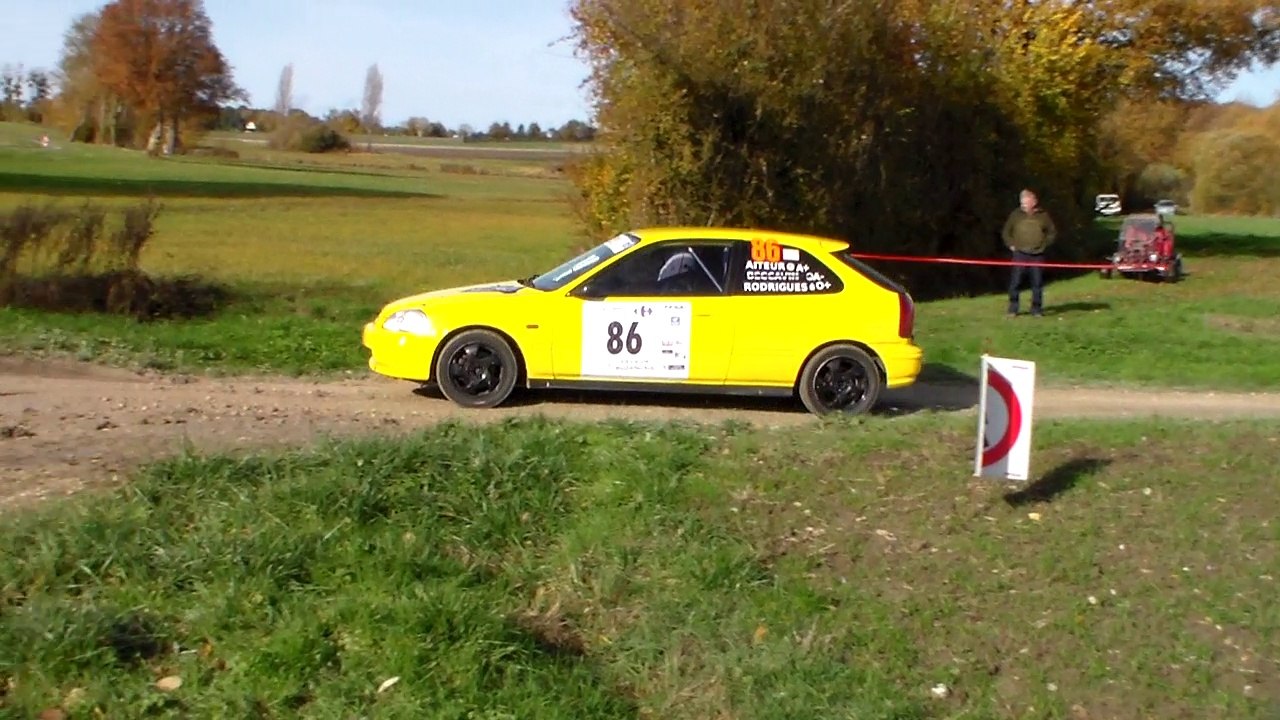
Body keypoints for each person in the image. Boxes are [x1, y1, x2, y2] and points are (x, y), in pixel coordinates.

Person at [1002, 189, 1057, 316]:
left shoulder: (1043, 215)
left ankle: (1036, 309)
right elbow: (1006, 232)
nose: (1023, 205)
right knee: (1016, 282)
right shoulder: (1015, 215)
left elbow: (1052, 232)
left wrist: (1044, 245)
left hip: (1037, 255)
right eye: (1022, 202)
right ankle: (1013, 309)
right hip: (1020, 254)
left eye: (1026, 202)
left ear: (1034, 202)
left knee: (1037, 283)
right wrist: (1010, 244)